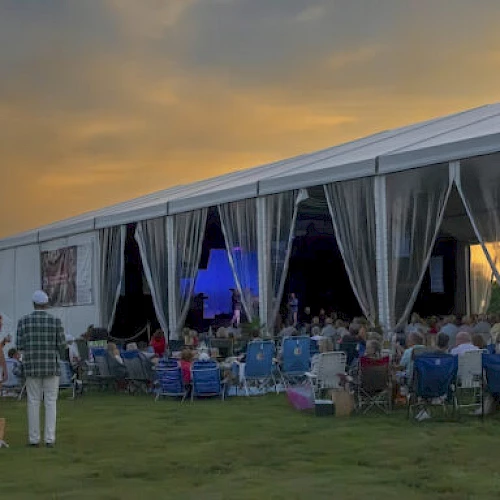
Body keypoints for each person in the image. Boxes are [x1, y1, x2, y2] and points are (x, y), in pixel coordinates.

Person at [17, 291, 66, 448]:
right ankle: (49, 439)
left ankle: (34, 439)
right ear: (46, 304)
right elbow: (62, 346)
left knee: (33, 401)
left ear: (33, 304)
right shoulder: (55, 321)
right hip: (51, 366)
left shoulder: (23, 322)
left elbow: (19, 346)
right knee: (51, 402)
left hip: (32, 366)